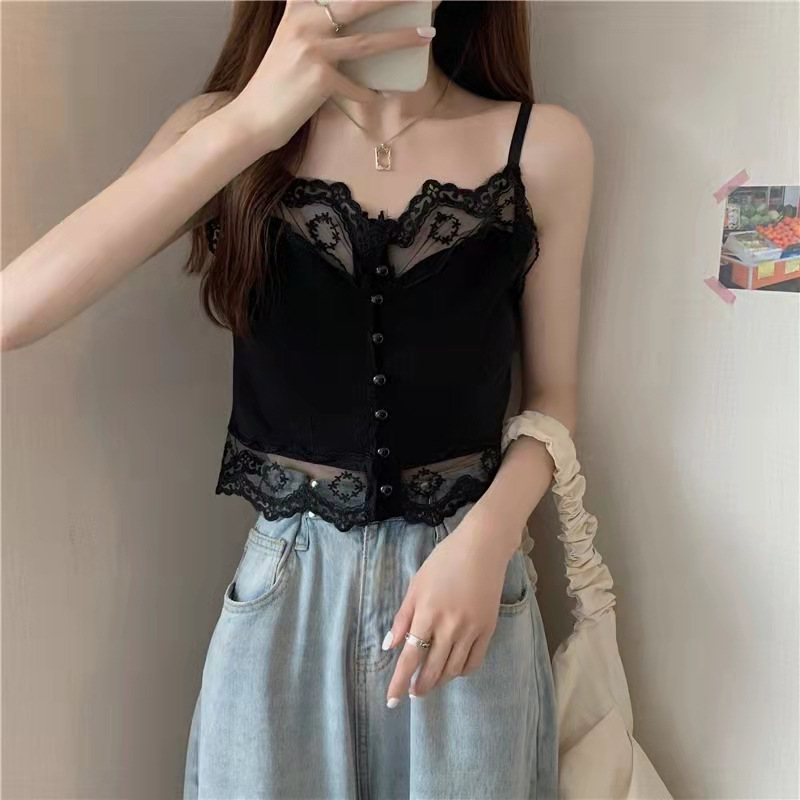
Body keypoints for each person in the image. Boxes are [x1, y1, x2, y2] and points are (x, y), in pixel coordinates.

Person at [1, 0, 593, 797]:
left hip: (463, 599)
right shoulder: (224, 128)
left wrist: (488, 539)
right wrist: (252, 122)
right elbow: (15, 311)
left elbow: (554, 398)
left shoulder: (542, 145)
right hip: (286, 594)